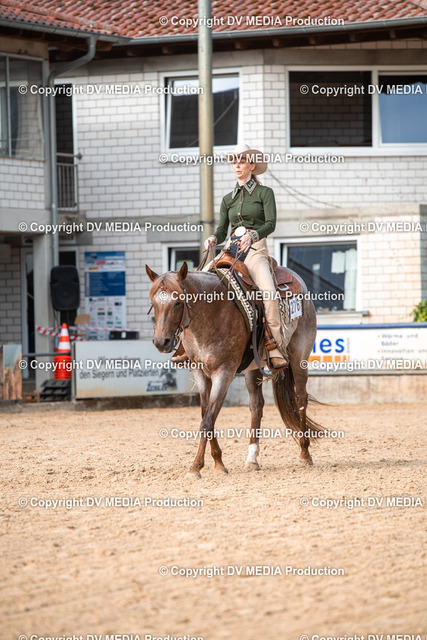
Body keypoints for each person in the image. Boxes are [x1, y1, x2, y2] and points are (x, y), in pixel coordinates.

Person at [172, 143, 288, 371]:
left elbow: (271, 223)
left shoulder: (265, 193)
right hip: (230, 249)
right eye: (234, 161)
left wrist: (253, 235)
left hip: (255, 251)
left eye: (241, 161)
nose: (237, 165)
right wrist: (213, 238)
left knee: (269, 295)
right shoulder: (228, 199)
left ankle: (274, 347)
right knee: (195, 284)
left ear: (252, 166)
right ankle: (185, 345)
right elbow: (222, 230)